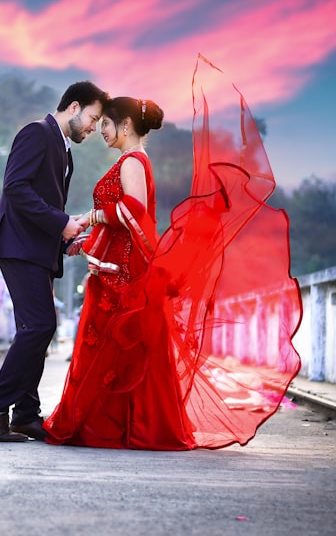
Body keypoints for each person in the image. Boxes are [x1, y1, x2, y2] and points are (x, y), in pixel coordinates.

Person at [45, 56, 302, 450]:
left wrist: (92, 215)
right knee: (118, 353)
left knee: (116, 350)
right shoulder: (131, 160)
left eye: (106, 124)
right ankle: (112, 424)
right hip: (116, 266)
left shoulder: (132, 160)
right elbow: (130, 222)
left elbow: (133, 212)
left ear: (125, 125)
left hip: (124, 274)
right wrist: (86, 242)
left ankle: (112, 426)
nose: (101, 131)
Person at [0, 80, 109, 442]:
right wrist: (61, 222)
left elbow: (47, 204)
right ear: (74, 107)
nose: (93, 128)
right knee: (40, 327)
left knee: (35, 330)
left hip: (38, 250)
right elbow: (15, 187)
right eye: (93, 119)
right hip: (18, 247)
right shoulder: (37, 132)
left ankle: (25, 414)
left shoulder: (65, 150)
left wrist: (65, 240)